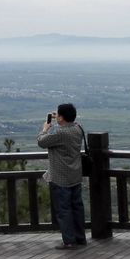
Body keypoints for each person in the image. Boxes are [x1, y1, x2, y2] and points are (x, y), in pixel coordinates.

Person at [38, 103, 87, 250]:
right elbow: (71, 122)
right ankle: (80, 238)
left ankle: (69, 241)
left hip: (60, 178)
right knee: (77, 208)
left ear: (61, 118)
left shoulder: (60, 133)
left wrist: (45, 129)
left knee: (64, 210)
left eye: (58, 115)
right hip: (75, 175)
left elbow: (41, 141)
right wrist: (60, 117)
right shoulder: (78, 128)